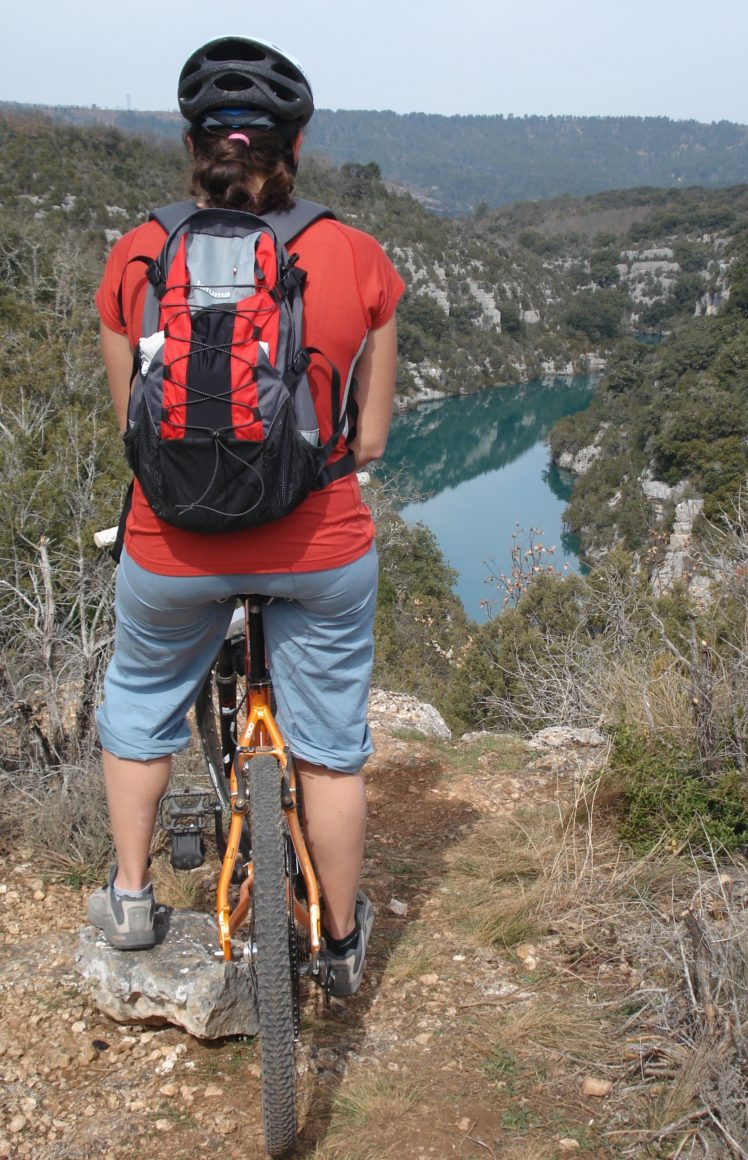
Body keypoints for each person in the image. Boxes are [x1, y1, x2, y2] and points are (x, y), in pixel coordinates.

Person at [87, 36, 404, 997]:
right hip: (320, 545)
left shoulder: (139, 252)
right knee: (332, 751)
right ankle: (341, 946)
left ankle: (134, 899)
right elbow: (373, 439)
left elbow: (133, 433)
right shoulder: (355, 256)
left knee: (142, 701)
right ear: (294, 149)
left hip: (174, 545)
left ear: (192, 147)